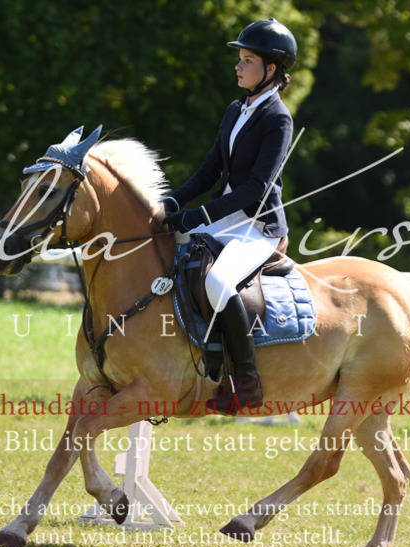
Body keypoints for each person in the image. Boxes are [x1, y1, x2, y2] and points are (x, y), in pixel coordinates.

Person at [162, 17, 297, 414]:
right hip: (223, 217)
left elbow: (256, 187)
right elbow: (210, 171)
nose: (238, 67)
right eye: (239, 59)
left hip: (256, 226)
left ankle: (247, 380)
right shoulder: (235, 109)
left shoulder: (278, 118)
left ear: (270, 69)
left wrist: (199, 214)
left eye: (247, 60)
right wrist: (173, 203)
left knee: (219, 281)